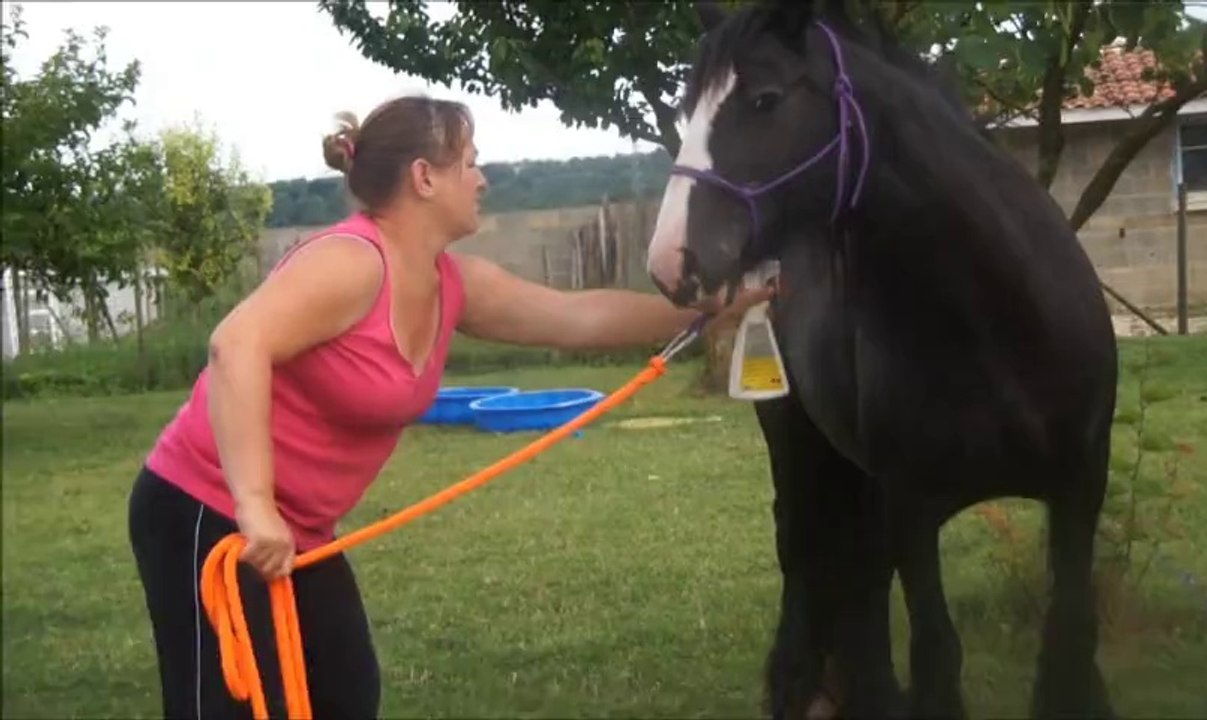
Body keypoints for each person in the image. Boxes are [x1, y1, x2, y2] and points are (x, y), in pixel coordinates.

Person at [127, 93, 772, 719]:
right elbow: (234, 346)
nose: (483, 179)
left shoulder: (451, 286)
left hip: (296, 530)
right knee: (231, 707)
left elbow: (580, 317)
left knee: (345, 694)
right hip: (204, 508)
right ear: (424, 178)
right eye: (470, 161)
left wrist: (715, 303)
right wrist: (255, 505)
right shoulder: (352, 262)